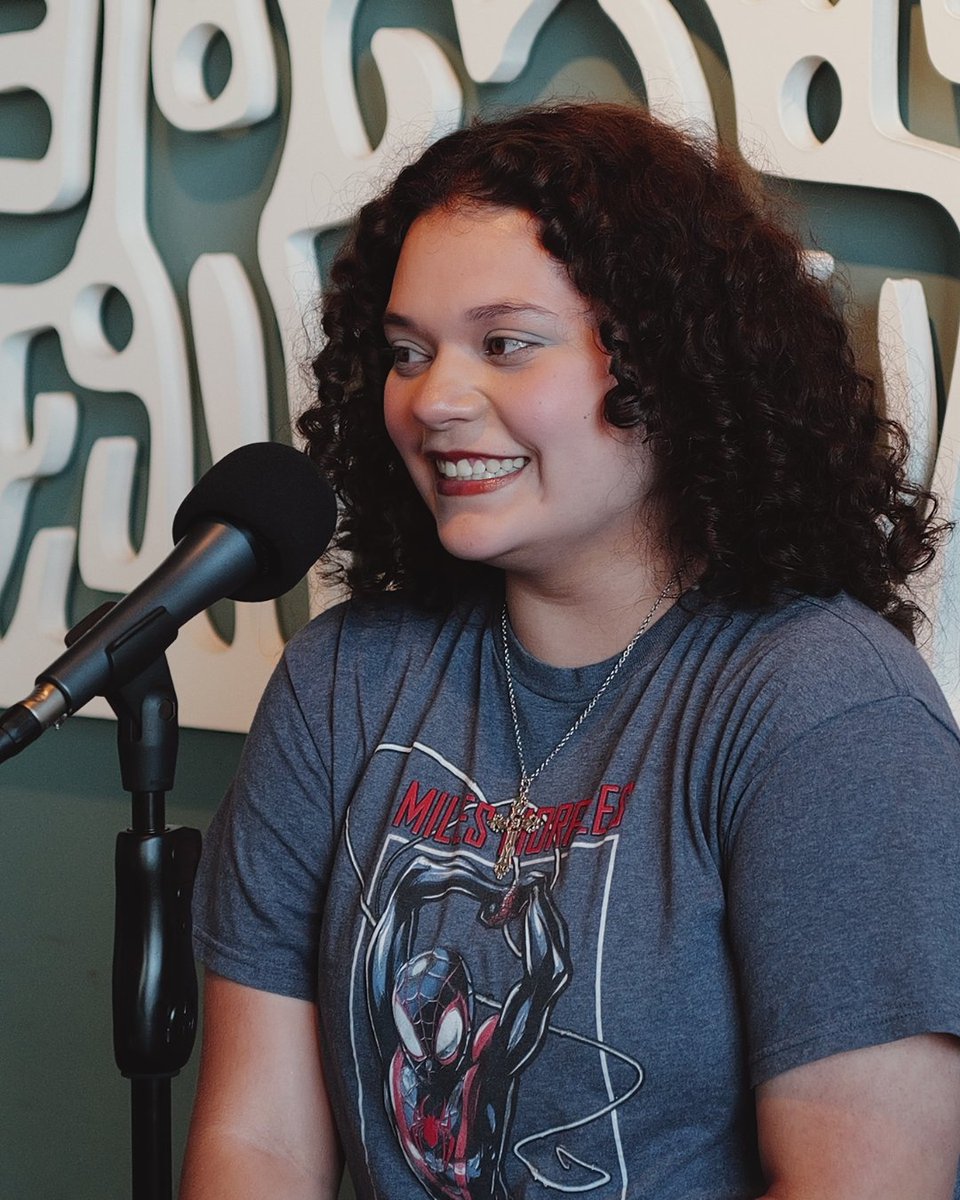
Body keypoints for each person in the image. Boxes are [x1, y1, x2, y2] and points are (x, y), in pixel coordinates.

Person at [180, 102, 960, 1200]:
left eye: (506, 343)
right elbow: (257, 1144)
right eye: (408, 352)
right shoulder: (341, 684)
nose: (437, 401)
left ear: (668, 363)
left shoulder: (824, 709)